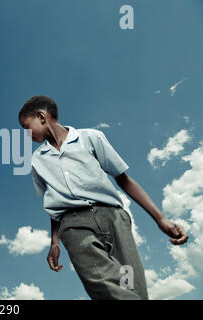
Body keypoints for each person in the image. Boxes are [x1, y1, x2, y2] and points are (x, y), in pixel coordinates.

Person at [19, 95, 188, 300]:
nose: (26, 135)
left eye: (27, 127)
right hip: (75, 226)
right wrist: (54, 242)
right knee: (101, 281)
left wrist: (160, 218)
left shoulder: (91, 138)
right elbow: (52, 201)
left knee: (130, 284)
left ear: (41, 116)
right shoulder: (37, 160)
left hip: (114, 220)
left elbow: (123, 179)